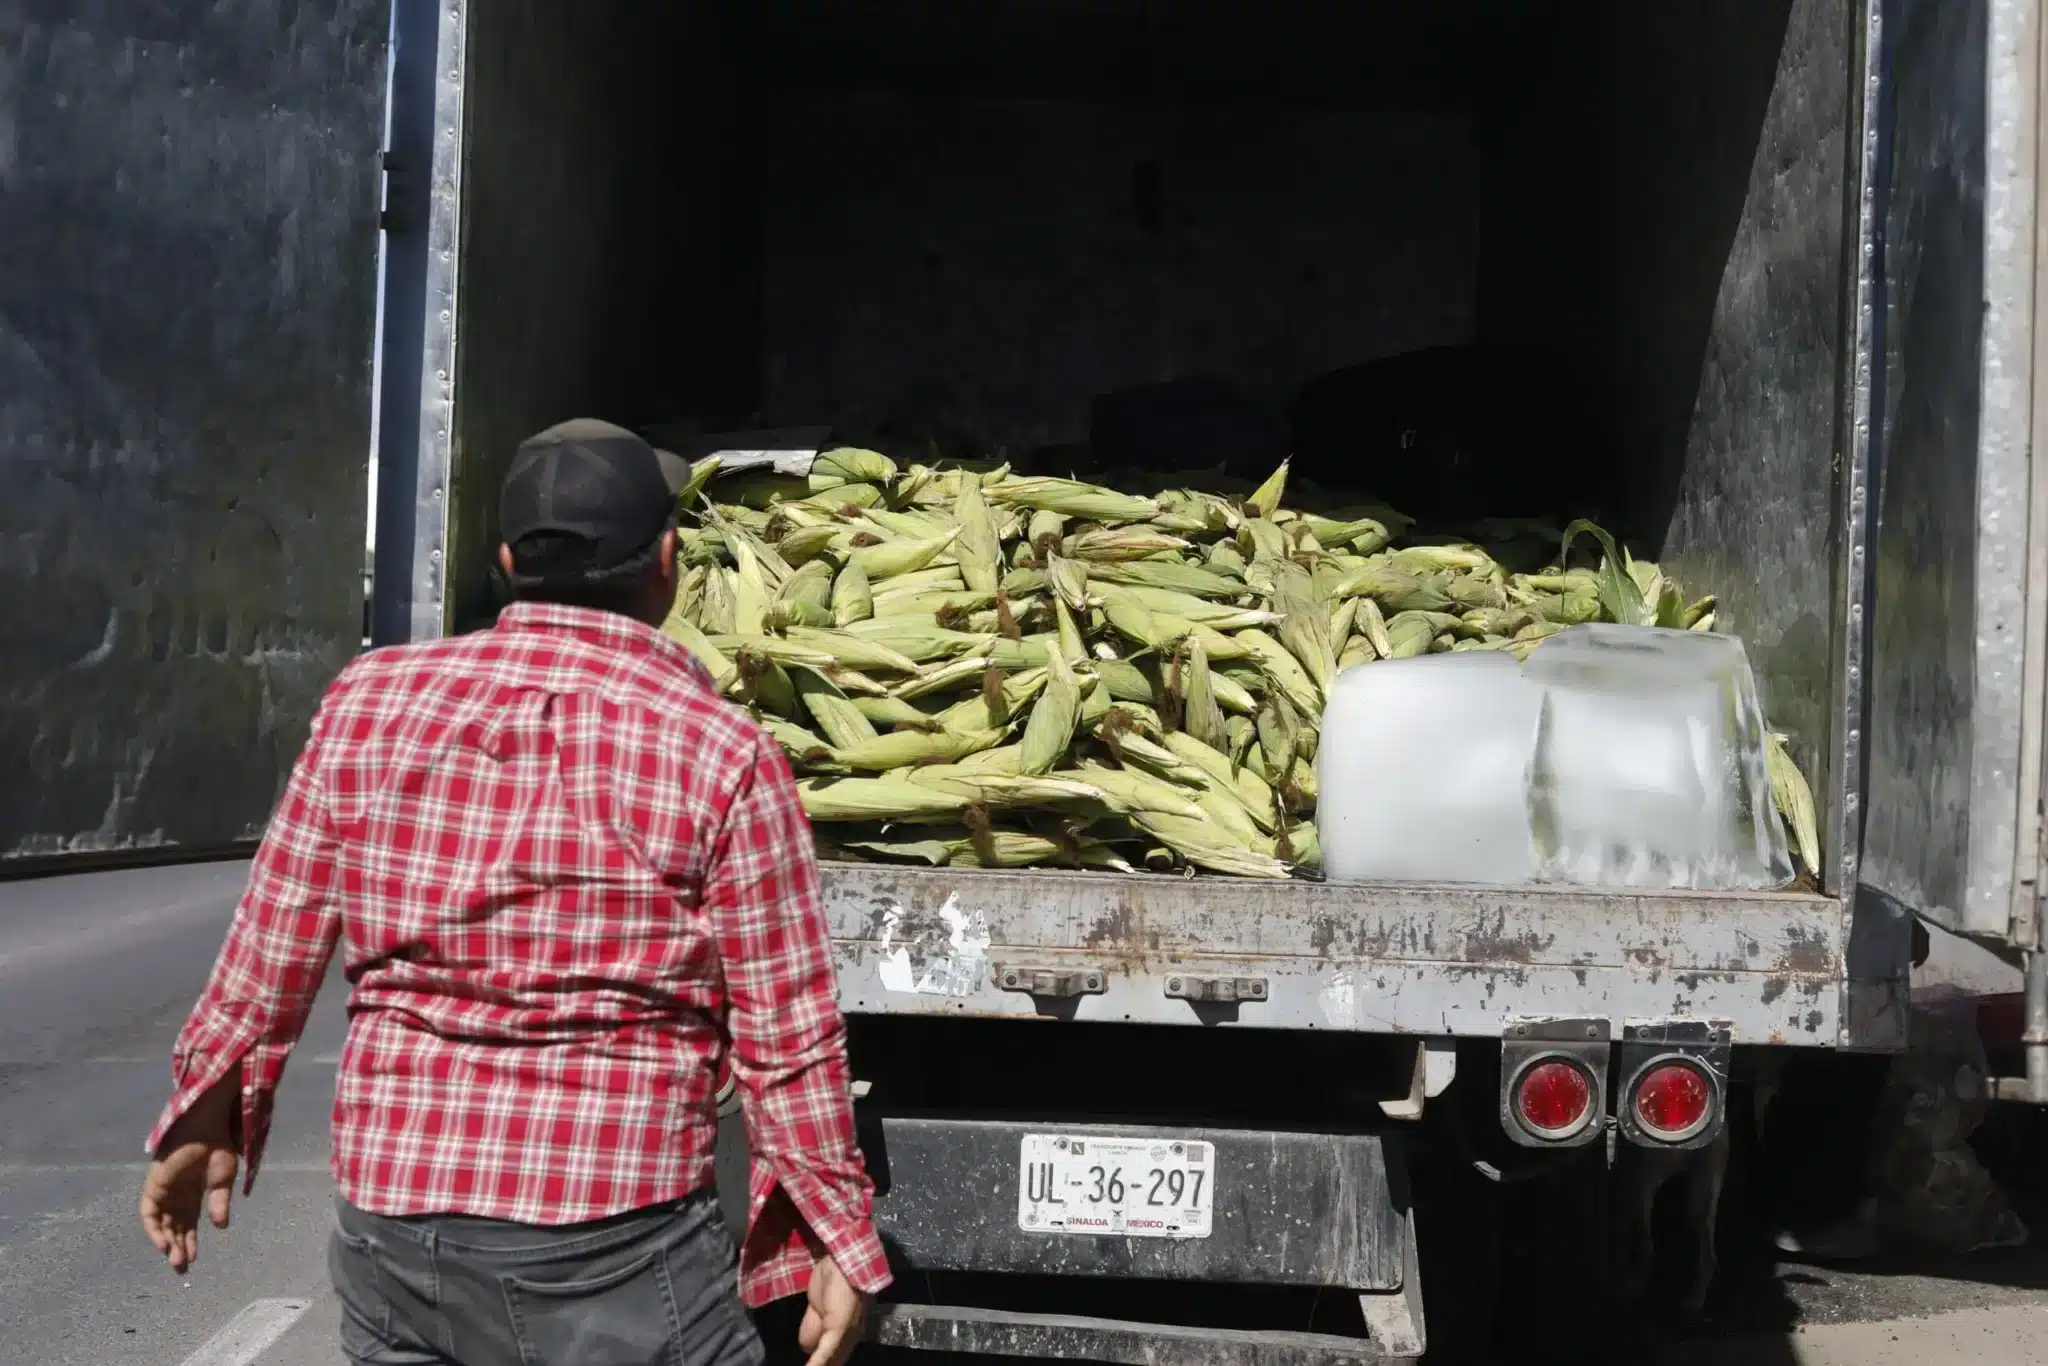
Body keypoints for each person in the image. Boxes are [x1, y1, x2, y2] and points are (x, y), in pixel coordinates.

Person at [138, 419, 888, 1366]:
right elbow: (788, 1041)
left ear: (504, 562)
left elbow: (272, 940)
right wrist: (835, 1228)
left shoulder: (368, 702)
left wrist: (207, 1103)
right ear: (668, 565)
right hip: (618, 1236)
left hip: (397, 1230)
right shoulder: (724, 754)